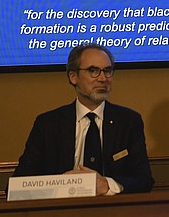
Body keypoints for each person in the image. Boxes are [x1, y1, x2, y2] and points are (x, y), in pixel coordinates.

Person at [13, 43, 155, 194]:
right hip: (60, 214)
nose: (102, 78)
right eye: (93, 71)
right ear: (73, 77)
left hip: (114, 212)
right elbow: (18, 183)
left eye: (107, 71)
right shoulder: (48, 124)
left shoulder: (128, 121)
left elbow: (144, 181)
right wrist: (61, 184)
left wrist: (107, 185)